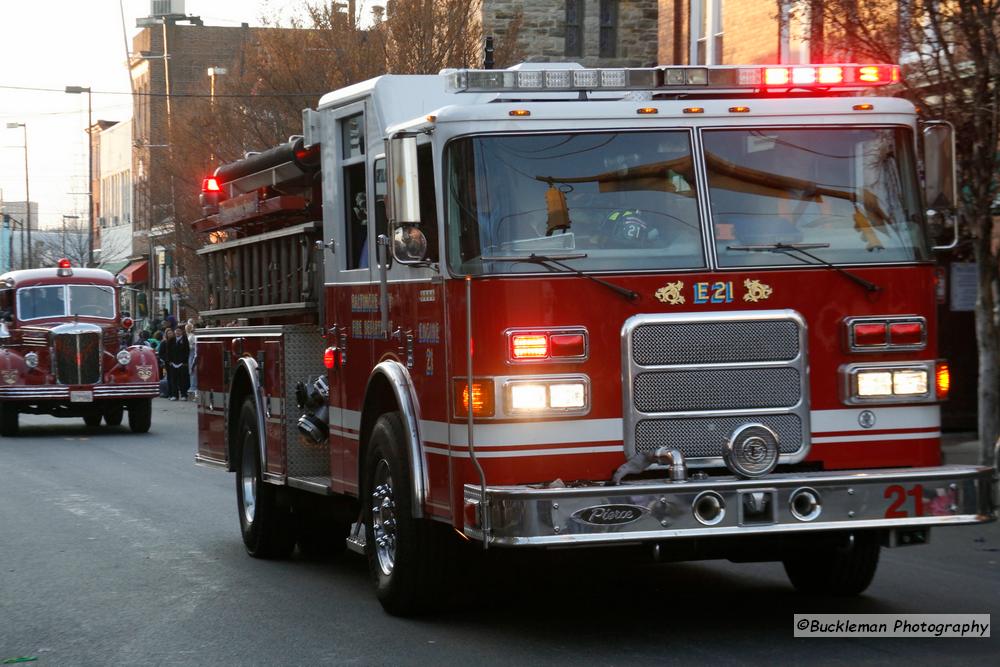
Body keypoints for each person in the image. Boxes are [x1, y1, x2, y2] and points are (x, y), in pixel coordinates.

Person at [170, 327, 191, 400]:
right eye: (176, 332)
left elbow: (187, 351)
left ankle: (183, 395)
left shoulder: (185, 340)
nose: (177, 333)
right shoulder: (172, 340)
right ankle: (174, 395)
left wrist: (185, 362)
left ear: (181, 332)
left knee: (183, 380)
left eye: (179, 331)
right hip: (173, 363)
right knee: (174, 380)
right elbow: (168, 350)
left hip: (182, 363)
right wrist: (170, 361)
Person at [159, 328, 176, 399]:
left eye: (171, 333)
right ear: (166, 334)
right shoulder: (164, 342)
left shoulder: (176, 341)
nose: (170, 334)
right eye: (168, 333)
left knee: (175, 378)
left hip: (176, 362)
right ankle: (170, 393)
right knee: (170, 378)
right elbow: (161, 353)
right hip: (168, 363)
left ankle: (175, 394)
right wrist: (167, 359)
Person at [185, 322, 197, 400]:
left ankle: (193, 387)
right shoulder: (189, 335)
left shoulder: (192, 336)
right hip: (189, 354)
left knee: (192, 370)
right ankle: (192, 386)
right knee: (191, 370)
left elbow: (193, 346)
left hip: (192, 354)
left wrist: (187, 346)